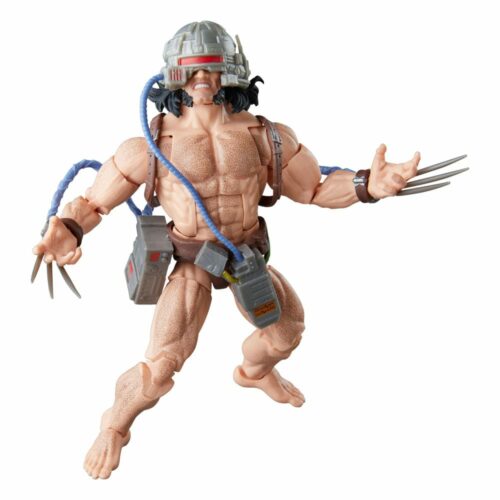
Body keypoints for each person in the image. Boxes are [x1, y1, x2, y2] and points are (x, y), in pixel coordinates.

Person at [33, 21, 442, 480]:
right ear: (172, 75)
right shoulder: (150, 147)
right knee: (161, 366)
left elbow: (315, 189)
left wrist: (369, 186)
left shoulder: (267, 136)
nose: (201, 80)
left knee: (287, 334)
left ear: (232, 71)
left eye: (211, 68)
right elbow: (93, 203)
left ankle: (252, 372)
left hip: (246, 257)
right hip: (192, 263)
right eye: (190, 70)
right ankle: (113, 426)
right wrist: (67, 229)